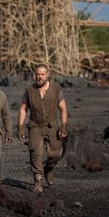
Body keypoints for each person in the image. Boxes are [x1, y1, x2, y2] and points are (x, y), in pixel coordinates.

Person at [17, 64, 68, 193]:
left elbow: (63, 109)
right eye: (37, 74)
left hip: (51, 126)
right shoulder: (29, 90)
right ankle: (38, 181)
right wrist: (20, 127)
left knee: (56, 153)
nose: (39, 77)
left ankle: (49, 170)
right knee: (36, 154)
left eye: (42, 74)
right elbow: (23, 109)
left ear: (47, 75)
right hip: (35, 126)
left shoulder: (56, 90)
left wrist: (63, 126)